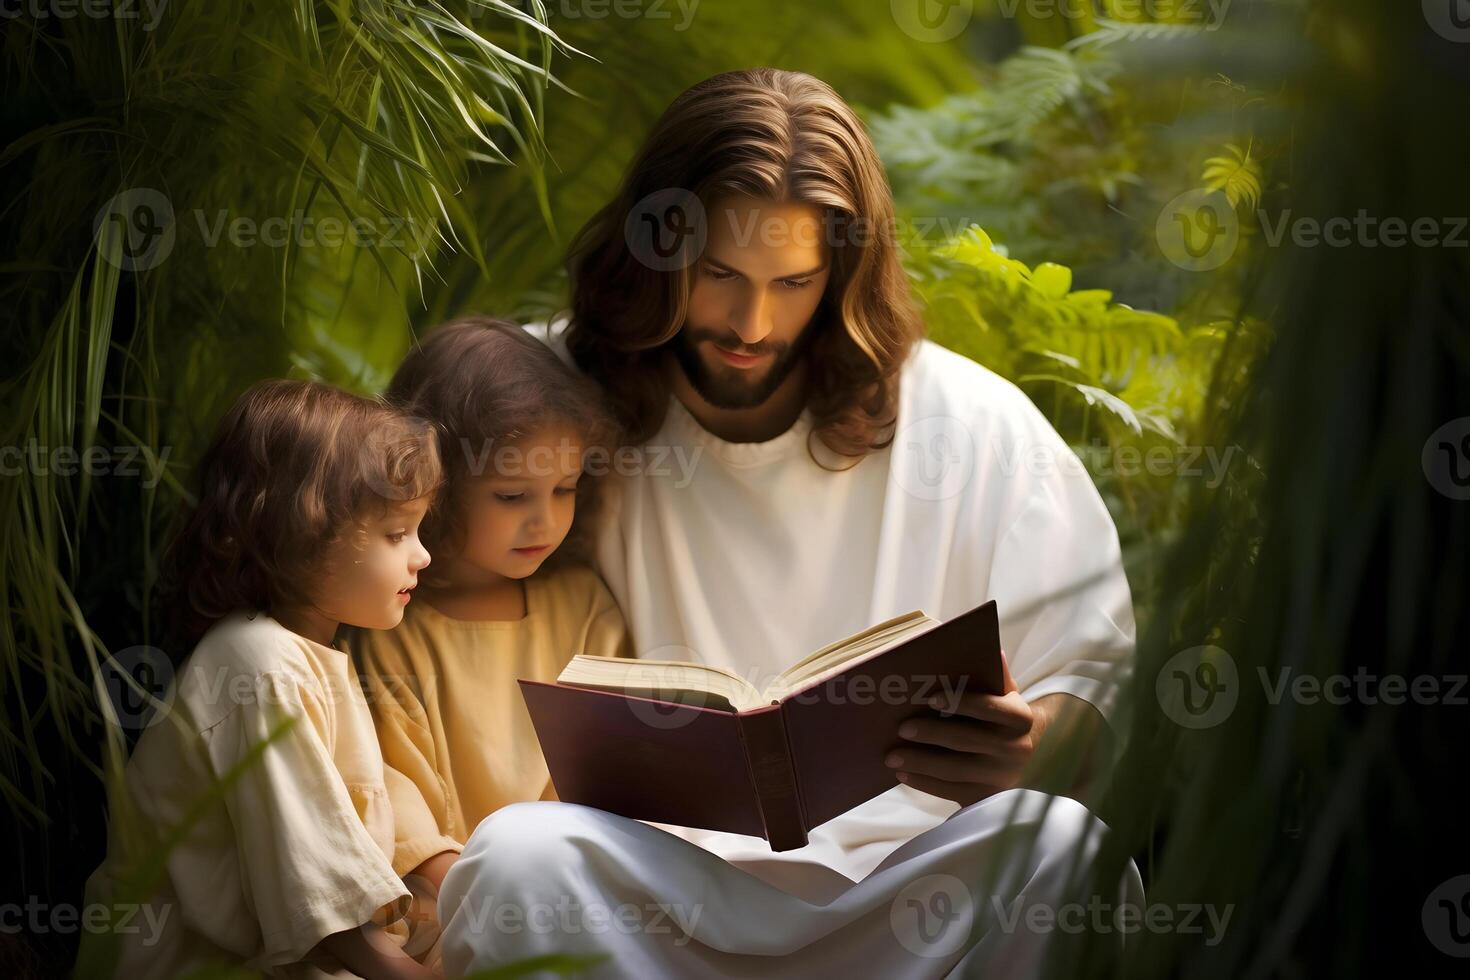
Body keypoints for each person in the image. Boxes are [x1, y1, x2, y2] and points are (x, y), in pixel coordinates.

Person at [440, 68, 1143, 977]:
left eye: (795, 281)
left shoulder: (973, 424)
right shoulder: (543, 397)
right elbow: (389, 566)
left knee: (1064, 848)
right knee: (516, 860)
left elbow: (1095, 672)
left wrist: (1035, 743)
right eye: (719, 274)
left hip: (910, 894)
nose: (750, 321)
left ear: (843, 274)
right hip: (662, 899)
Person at [84, 380, 442, 979]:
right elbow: (313, 874)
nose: (422, 555)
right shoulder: (258, 664)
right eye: (395, 533)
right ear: (300, 531)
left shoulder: (300, 651)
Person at [350, 319, 634, 960]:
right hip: (447, 906)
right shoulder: (395, 621)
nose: (546, 518)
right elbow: (386, 780)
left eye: (565, 489)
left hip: (574, 888)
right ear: (436, 489)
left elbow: (608, 754)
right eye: (512, 495)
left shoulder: (583, 604)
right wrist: (471, 885)